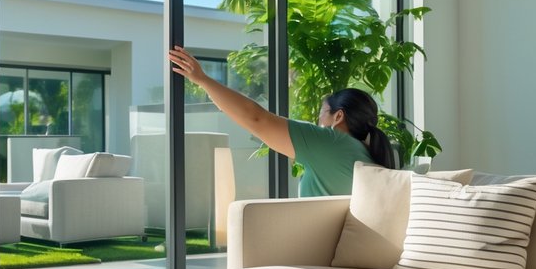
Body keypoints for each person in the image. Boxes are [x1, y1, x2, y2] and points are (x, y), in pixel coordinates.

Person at [167, 45, 397, 196]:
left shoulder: (330, 141)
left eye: (321, 115)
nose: (318, 122)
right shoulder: (363, 152)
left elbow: (257, 119)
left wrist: (203, 80)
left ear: (338, 117)